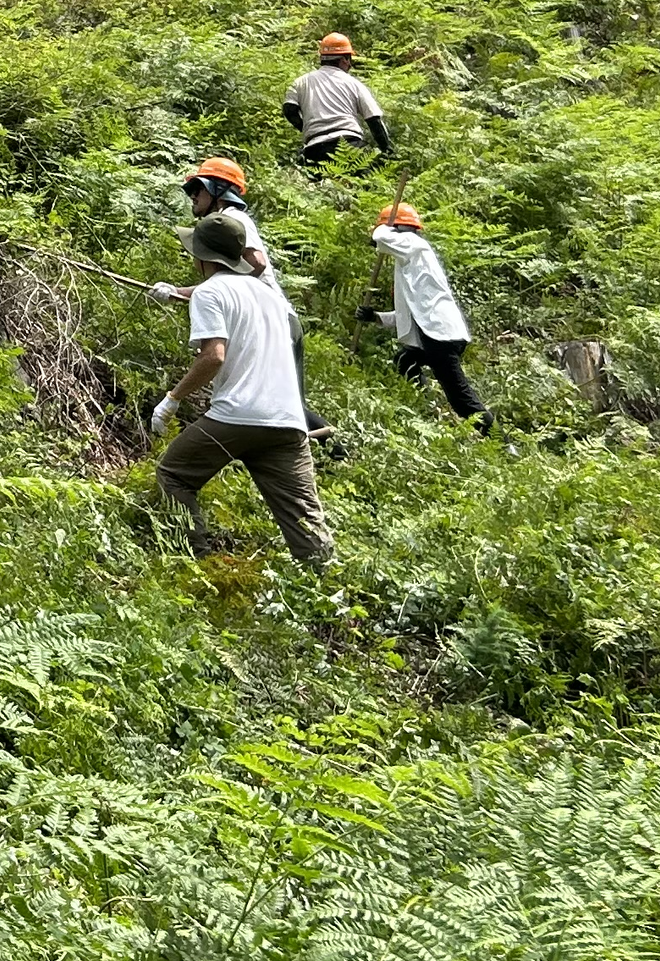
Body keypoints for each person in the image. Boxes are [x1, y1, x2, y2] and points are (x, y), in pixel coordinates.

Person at [149, 214, 334, 566]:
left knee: (173, 475)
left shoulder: (209, 293)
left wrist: (171, 400)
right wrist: (175, 293)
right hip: (287, 421)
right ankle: (323, 590)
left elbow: (213, 357)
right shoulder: (271, 296)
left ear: (201, 257)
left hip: (237, 415)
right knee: (303, 517)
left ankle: (197, 565)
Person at [362, 203, 482, 425]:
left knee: (461, 400)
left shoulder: (414, 245)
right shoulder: (410, 262)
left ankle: (502, 442)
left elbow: (381, 235)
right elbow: (408, 314)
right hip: (433, 333)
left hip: (441, 336)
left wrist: (381, 230)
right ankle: (426, 408)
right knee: (405, 360)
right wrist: (375, 317)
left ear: (399, 229)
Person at [284, 33, 390, 169]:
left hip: (315, 150)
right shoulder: (353, 83)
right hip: (351, 145)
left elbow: (289, 109)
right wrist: (387, 152)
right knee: (365, 185)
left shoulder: (301, 82)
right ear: (344, 60)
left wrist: (306, 127)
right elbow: (374, 120)